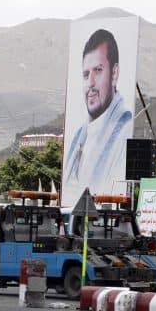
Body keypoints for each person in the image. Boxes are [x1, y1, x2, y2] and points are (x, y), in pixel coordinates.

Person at [63, 29, 133, 196]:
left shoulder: (125, 132)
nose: (90, 83)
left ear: (114, 73)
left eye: (98, 70)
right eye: (86, 74)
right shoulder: (79, 136)